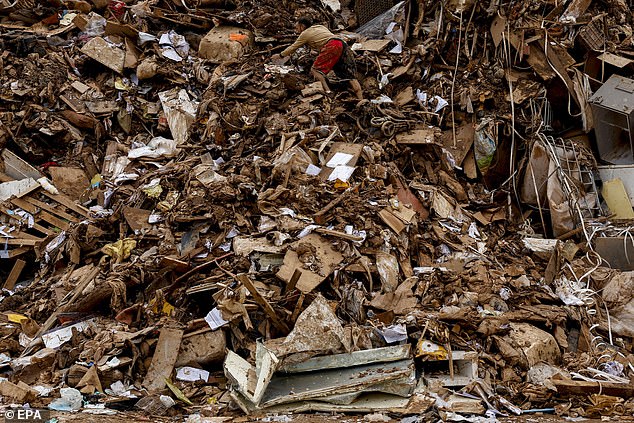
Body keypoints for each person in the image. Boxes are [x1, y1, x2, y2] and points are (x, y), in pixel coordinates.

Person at [272, 17, 363, 100]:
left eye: (297, 28)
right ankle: (361, 99)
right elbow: (323, 39)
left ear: (302, 26)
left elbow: (293, 47)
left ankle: (328, 92)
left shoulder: (305, 33)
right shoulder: (319, 27)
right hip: (341, 43)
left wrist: (280, 55)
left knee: (315, 70)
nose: (296, 30)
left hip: (331, 46)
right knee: (348, 74)